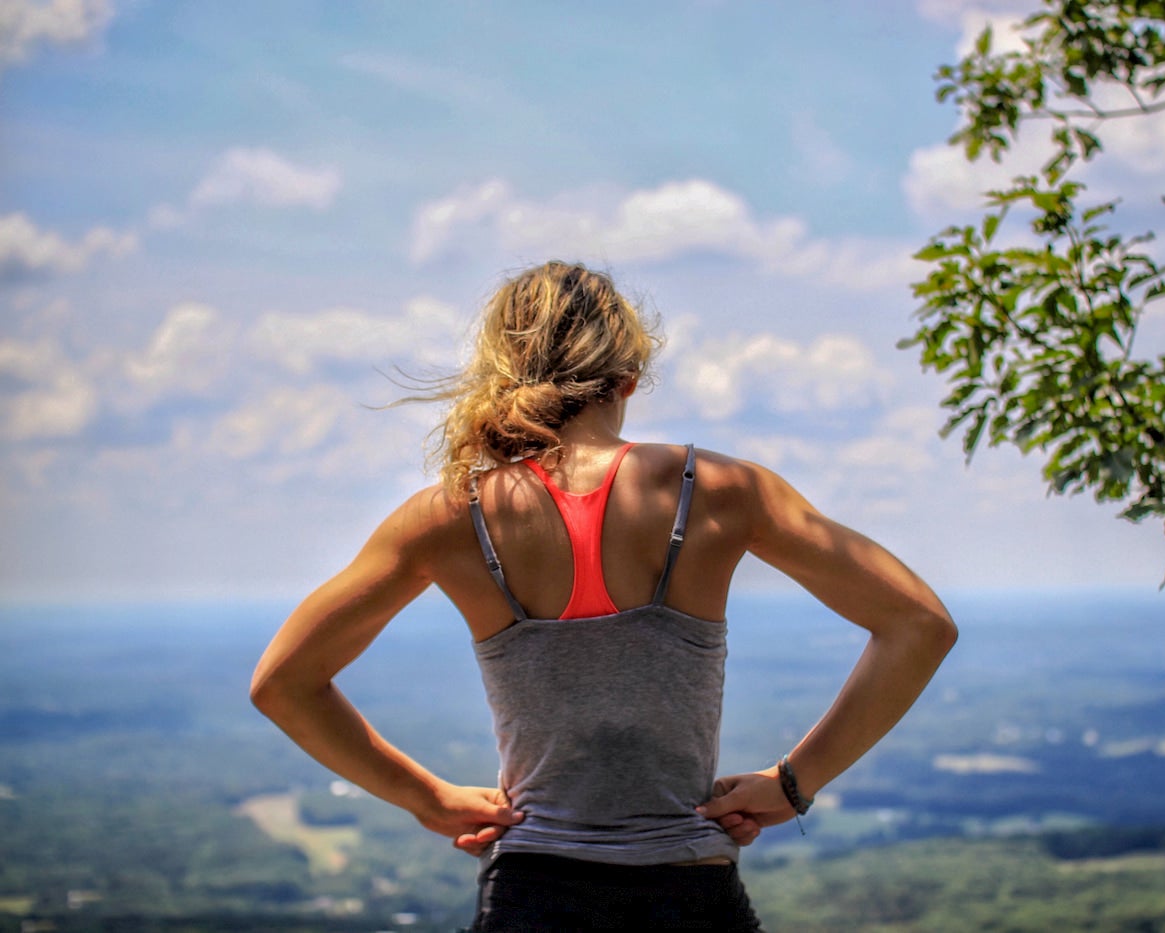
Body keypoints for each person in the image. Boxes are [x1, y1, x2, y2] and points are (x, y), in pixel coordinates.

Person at [250, 261, 958, 931]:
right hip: (691, 892)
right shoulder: (718, 492)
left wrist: (426, 798)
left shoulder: (448, 516)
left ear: (505, 372)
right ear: (628, 376)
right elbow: (918, 624)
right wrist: (793, 783)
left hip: (530, 894)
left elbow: (284, 682)